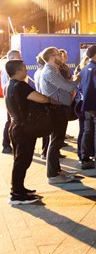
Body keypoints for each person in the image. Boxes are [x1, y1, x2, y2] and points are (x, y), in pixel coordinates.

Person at [5, 59, 51, 204]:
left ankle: (19, 188)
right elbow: (42, 99)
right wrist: (48, 99)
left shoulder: (8, 86)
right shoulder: (21, 86)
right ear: (18, 71)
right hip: (24, 128)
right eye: (24, 69)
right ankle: (17, 194)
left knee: (20, 160)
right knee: (22, 161)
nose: (26, 71)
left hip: (15, 126)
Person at [39, 47, 79, 183]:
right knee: (55, 142)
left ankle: (57, 170)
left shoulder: (54, 70)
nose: (61, 56)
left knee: (57, 141)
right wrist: (79, 78)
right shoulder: (50, 72)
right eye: (57, 54)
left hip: (59, 109)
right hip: (56, 110)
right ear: (51, 57)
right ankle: (52, 175)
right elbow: (68, 87)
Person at [2, 50, 22, 154]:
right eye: (19, 56)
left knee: (10, 122)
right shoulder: (8, 71)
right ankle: (6, 145)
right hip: (11, 100)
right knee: (10, 122)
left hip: (11, 100)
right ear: (13, 57)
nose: (20, 58)